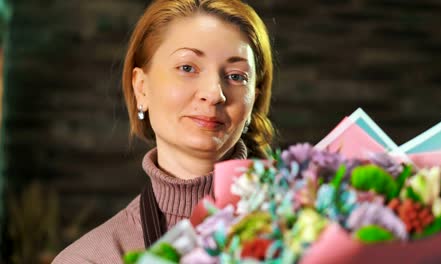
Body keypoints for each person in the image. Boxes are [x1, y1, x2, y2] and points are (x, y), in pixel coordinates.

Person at [52, 0, 275, 263]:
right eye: (187, 68)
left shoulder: (306, 222)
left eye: (237, 76)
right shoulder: (90, 258)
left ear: (253, 100)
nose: (214, 94)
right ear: (141, 88)